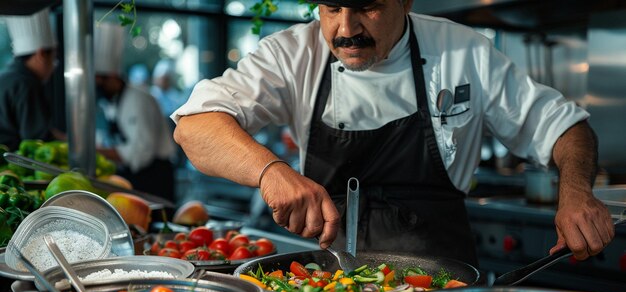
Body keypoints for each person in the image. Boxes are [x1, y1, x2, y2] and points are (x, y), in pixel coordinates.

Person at [172, 0, 614, 264]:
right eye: (331, 8)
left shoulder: (465, 53)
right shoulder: (294, 52)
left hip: (439, 278)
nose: (345, 29)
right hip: (330, 277)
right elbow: (194, 126)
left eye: (366, 6)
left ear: (405, 1)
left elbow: (565, 127)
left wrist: (576, 193)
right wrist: (270, 171)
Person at [94, 23, 177, 201]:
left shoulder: (138, 99)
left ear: (112, 76)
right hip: (134, 176)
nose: (97, 87)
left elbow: (140, 153)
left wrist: (95, 151)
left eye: (100, 81)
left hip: (154, 178)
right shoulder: (111, 100)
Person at [0, 8, 64, 151]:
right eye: (54, 59)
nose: (53, 67)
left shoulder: (6, 75)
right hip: (9, 164)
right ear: (41, 54)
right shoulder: (27, 83)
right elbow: (38, 138)